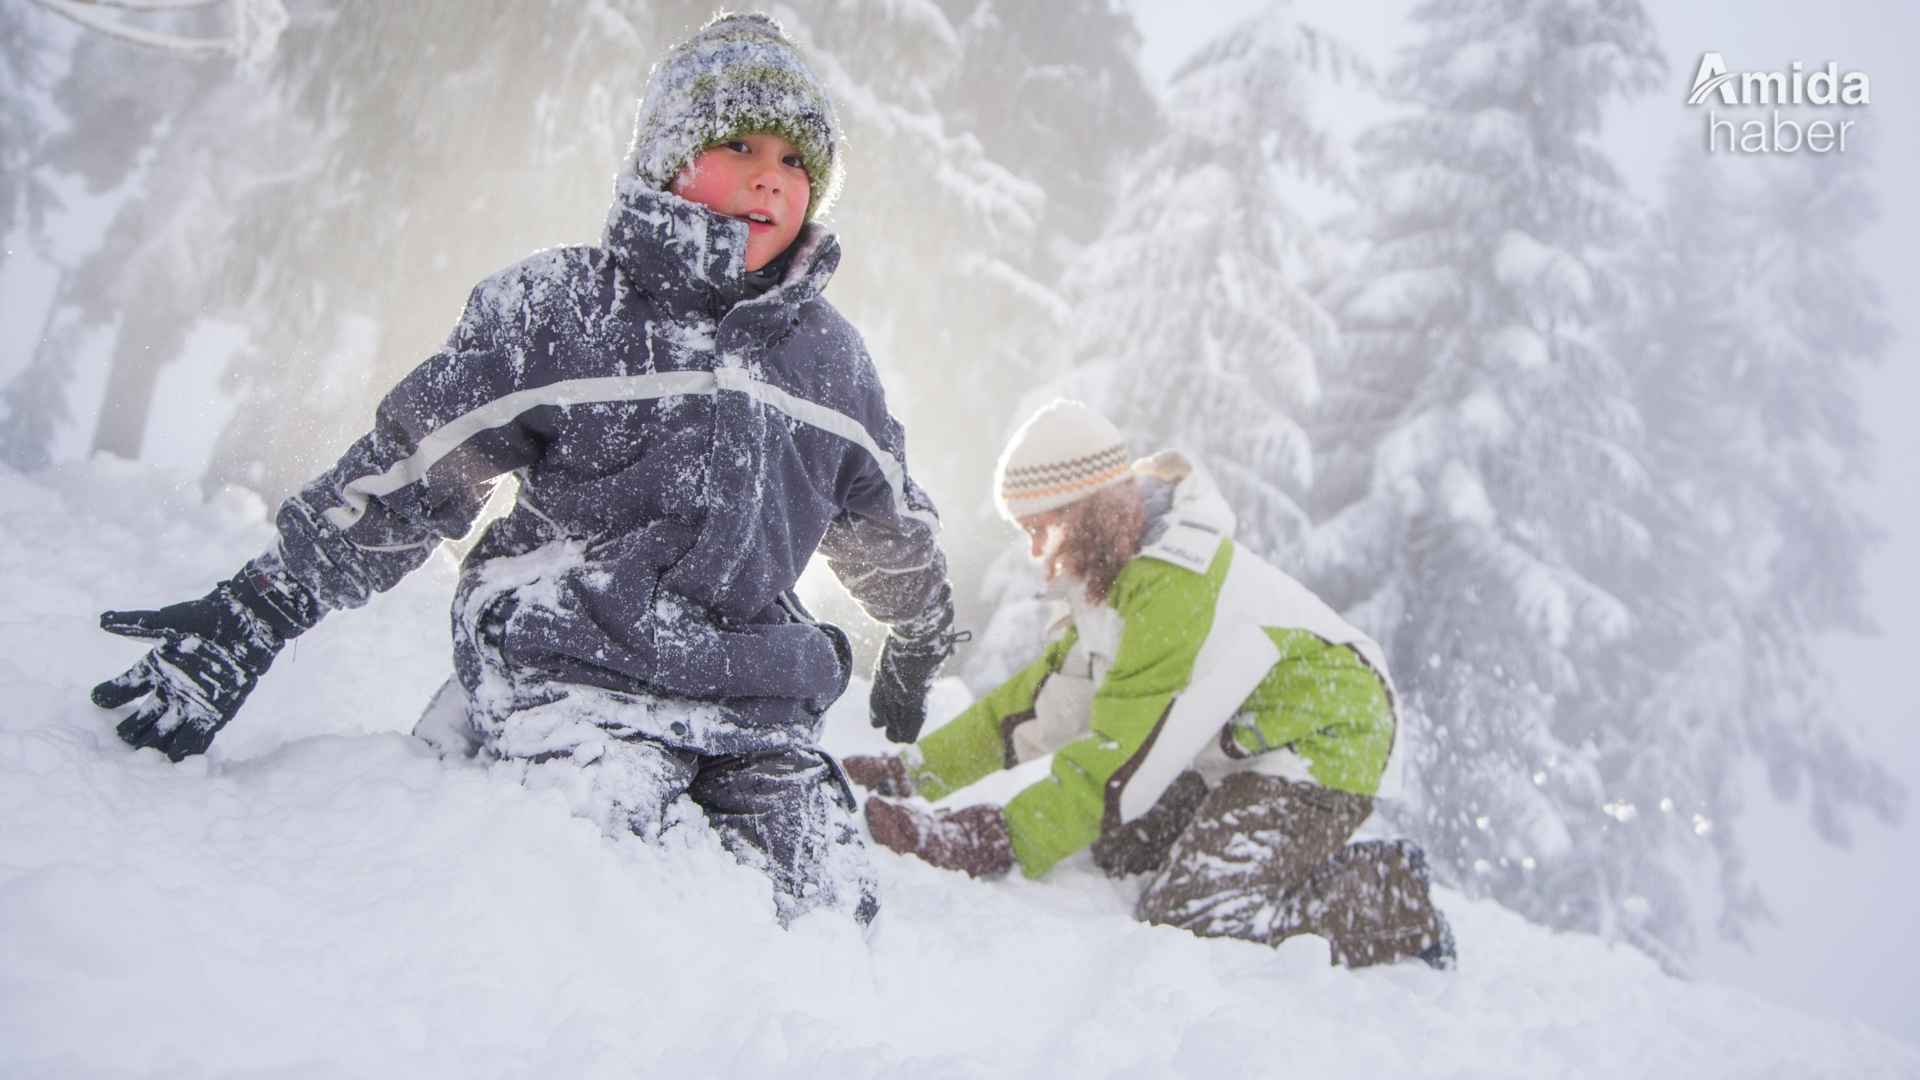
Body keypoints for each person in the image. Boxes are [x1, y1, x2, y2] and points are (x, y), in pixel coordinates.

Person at [89, 13, 961, 929]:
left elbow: (885, 518)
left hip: (753, 699)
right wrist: (264, 606)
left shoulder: (829, 363)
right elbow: (418, 465)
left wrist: (920, 628)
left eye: (795, 162)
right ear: (667, 160)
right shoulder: (569, 310)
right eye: (737, 143)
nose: (767, 176)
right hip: (575, 667)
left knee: (821, 907)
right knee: (594, 893)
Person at [844, 400, 1453, 968]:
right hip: (1239, 740)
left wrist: (985, 838)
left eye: (1041, 526)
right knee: (1120, 850)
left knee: (1190, 913)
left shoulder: (1174, 590)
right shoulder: (1119, 573)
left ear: (1088, 507)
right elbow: (1037, 708)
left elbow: (1120, 766)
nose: (1035, 550)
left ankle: (1389, 897)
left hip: (1328, 740)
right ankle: (1236, 835)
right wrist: (910, 774)